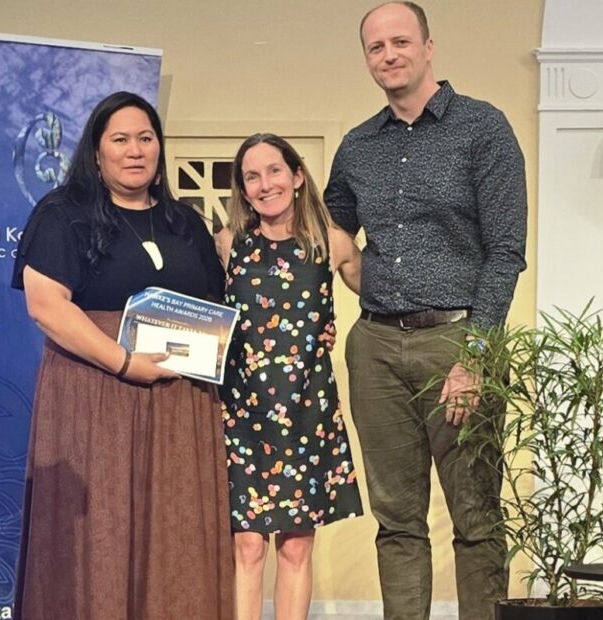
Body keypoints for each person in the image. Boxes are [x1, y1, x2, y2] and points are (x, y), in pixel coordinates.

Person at [323, 3, 528, 619]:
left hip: (456, 341)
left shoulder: (482, 128)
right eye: (375, 47)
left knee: (476, 517)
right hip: (376, 347)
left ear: (429, 46)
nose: (388, 55)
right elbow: (325, 228)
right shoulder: (358, 146)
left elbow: (507, 251)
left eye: (400, 42)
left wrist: (476, 356)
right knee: (397, 520)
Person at [11, 91, 233, 620]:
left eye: (146, 138)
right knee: (100, 531)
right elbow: (46, 307)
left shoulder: (186, 223)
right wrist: (123, 362)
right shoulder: (63, 215)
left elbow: (214, 307)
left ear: (159, 149)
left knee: (176, 528)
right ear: (96, 153)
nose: (134, 150)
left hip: (182, 404)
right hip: (93, 394)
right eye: (120, 139)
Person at [216, 133, 364, 620]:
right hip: (241, 415)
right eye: (252, 176)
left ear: (297, 176)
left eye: (274, 171)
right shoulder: (228, 244)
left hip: (307, 413)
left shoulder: (331, 242)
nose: (265, 184)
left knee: (296, 550)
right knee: (247, 548)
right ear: (242, 189)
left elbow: (386, 296)